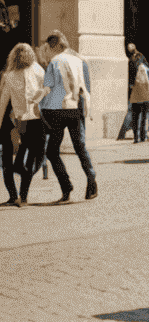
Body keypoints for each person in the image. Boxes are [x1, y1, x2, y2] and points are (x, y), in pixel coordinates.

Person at [38, 33, 97, 202]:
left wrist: (40, 106)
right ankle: (91, 178)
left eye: (49, 47)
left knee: (52, 151)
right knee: (80, 146)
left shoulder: (54, 62)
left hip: (58, 109)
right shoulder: (80, 60)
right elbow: (86, 86)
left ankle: (66, 186)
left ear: (54, 45)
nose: (48, 51)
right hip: (76, 108)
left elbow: (48, 88)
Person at [0, 42, 46, 206]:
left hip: (22, 122)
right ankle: (23, 196)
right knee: (35, 158)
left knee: (22, 160)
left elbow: (3, 103)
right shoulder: (39, 70)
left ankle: (18, 194)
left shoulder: (9, 75)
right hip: (35, 120)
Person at [127, 44, 149, 143]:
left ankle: (136, 136)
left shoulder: (131, 63)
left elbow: (130, 81)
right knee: (145, 115)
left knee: (135, 115)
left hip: (135, 94)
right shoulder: (146, 68)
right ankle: (143, 136)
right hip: (145, 94)